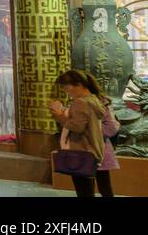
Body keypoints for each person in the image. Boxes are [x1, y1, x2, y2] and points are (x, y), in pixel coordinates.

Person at [50, 69, 118, 197]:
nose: (66, 90)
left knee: (85, 192)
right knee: (102, 189)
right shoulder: (94, 99)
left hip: (81, 151)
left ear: (79, 84)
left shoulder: (80, 102)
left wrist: (59, 116)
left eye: (66, 87)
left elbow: (78, 126)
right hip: (95, 151)